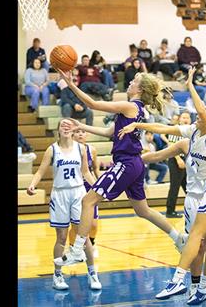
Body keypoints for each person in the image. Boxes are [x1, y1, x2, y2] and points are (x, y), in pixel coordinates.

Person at [119, 67, 206, 304]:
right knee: (203, 241)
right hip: (200, 195)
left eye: (199, 116)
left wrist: (191, 84)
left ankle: (189, 280)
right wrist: (138, 126)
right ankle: (199, 287)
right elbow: (164, 129)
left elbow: (202, 110)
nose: (194, 116)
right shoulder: (191, 133)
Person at [53, 69, 189, 267]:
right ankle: (178, 237)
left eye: (134, 80)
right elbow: (110, 131)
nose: (130, 82)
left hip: (126, 163)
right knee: (143, 210)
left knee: (88, 200)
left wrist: (71, 84)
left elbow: (93, 104)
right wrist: (80, 127)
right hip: (135, 163)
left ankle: (77, 250)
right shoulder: (138, 109)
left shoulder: (129, 106)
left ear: (140, 89)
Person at [141, 137, 206, 300]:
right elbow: (157, 155)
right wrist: (132, 160)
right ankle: (195, 286)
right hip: (195, 197)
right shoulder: (185, 143)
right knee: (198, 244)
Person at [26, 119, 102, 291]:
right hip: (60, 194)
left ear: (73, 129)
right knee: (61, 238)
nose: (66, 128)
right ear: (58, 130)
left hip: (78, 193)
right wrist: (33, 184)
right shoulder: (52, 150)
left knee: (83, 237)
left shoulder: (81, 148)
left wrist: (99, 189)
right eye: (63, 125)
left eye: (69, 125)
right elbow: (40, 171)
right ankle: (57, 275)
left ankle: (92, 273)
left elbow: (85, 172)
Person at [70, 129, 102, 257]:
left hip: (89, 187)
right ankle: (72, 249)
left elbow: (95, 168)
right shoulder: (68, 150)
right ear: (72, 135)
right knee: (75, 225)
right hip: (75, 187)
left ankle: (92, 245)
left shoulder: (92, 150)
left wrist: (99, 184)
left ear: (87, 134)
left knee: (93, 223)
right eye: (77, 132)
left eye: (83, 132)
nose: (80, 134)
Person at [159, 110, 191, 218]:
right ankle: (170, 211)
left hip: (185, 161)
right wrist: (178, 160)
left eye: (187, 117)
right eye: (183, 117)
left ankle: (194, 208)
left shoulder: (190, 131)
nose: (186, 119)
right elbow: (171, 145)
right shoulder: (176, 129)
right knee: (175, 187)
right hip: (176, 160)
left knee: (188, 187)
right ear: (179, 119)